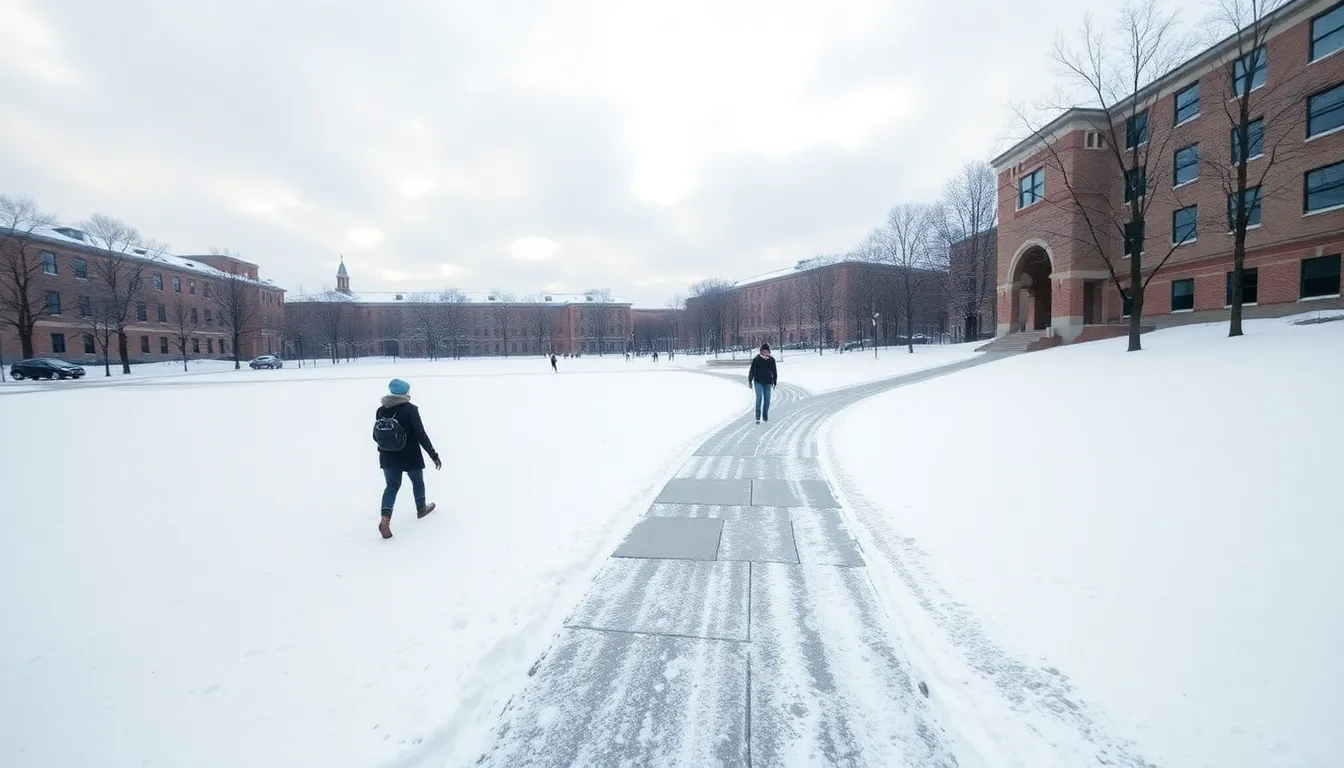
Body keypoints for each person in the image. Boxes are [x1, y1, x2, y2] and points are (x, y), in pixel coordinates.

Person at [372, 378, 441, 539]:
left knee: (391, 486)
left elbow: (376, 436)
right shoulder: (410, 409)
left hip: (387, 455)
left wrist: (382, 451)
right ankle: (421, 509)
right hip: (410, 455)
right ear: (404, 393)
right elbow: (420, 434)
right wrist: (434, 455)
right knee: (417, 481)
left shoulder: (381, 410)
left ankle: (385, 519)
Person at [747, 344, 778, 424]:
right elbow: (752, 370)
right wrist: (750, 380)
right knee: (759, 398)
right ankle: (757, 417)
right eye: (763, 351)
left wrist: (774, 381)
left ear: (769, 352)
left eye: (766, 351)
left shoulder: (771, 360)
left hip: (768, 382)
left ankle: (765, 416)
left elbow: (774, 371)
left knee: (767, 399)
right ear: (761, 351)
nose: (765, 352)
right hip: (758, 382)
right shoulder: (757, 359)